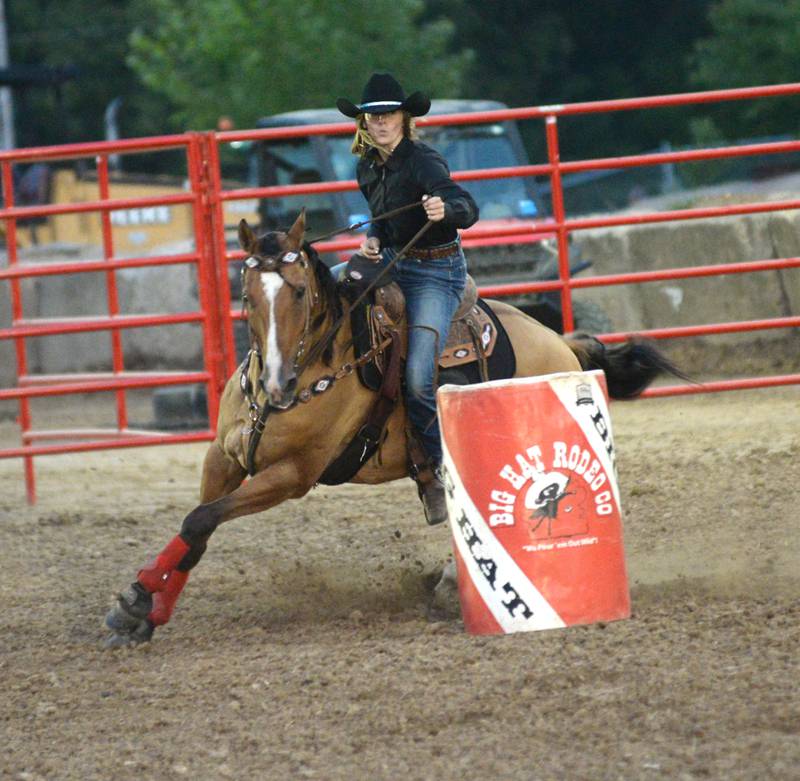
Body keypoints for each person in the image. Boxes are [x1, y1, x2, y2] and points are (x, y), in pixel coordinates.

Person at [336, 72, 479, 525]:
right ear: (364, 122)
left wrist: (446, 210)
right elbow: (382, 216)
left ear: (403, 118)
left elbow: (466, 207)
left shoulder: (424, 161)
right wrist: (375, 237)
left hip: (438, 271)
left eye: (388, 114)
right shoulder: (367, 167)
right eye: (373, 116)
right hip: (396, 259)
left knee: (419, 378)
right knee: (328, 291)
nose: (380, 123)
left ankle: (439, 472)